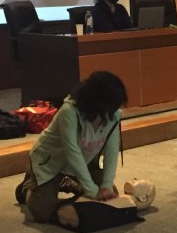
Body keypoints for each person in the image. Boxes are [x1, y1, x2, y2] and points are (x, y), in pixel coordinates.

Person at [21, 72, 127, 223]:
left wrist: (106, 186)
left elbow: (111, 152)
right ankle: (28, 184)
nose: (112, 112)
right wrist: (92, 191)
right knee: (42, 214)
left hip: (85, 160)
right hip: (51, 161)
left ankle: (67, 182)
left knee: (109, 198)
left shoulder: (113, 115)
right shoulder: (69, 112)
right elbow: (73, 153)